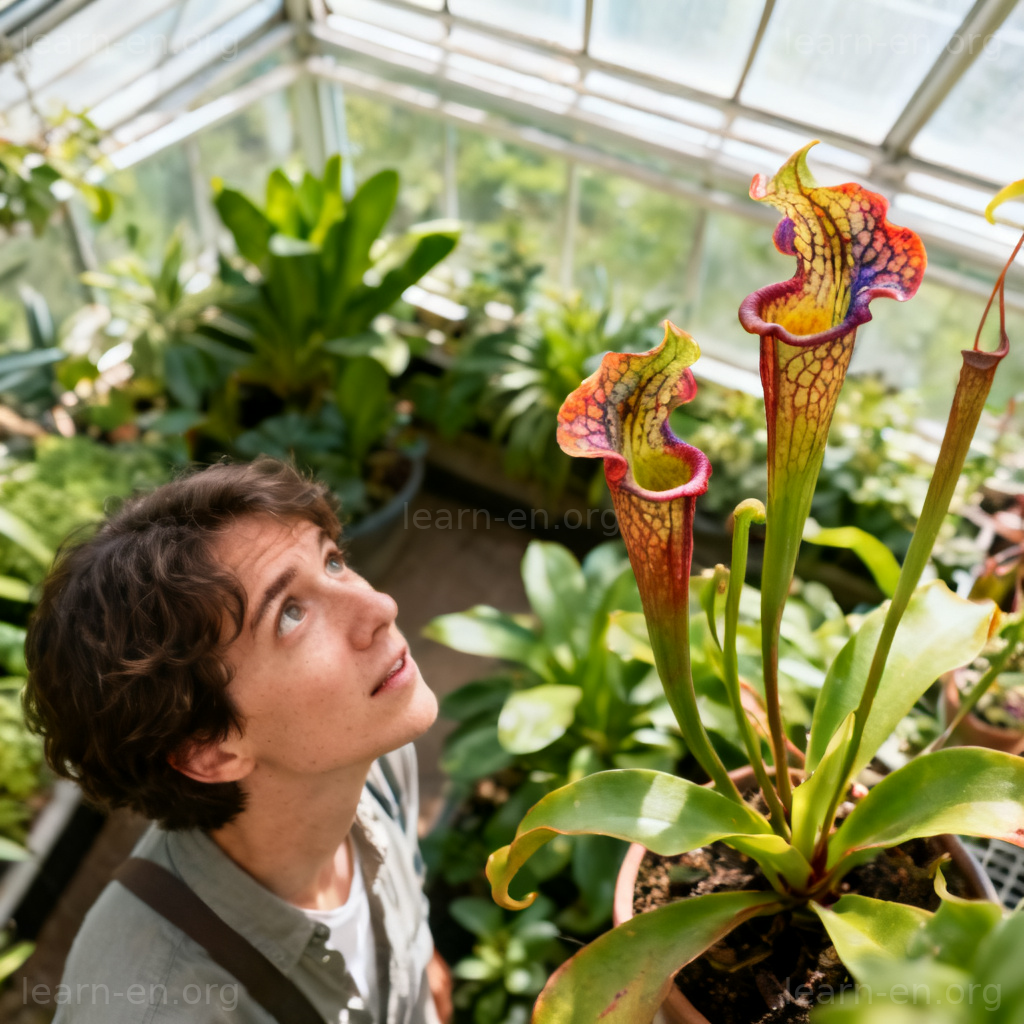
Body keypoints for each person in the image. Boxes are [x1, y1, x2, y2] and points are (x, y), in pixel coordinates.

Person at [23, 458, 453, 1023]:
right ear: (212, 751)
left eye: (334, 561)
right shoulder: (159, 1007)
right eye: (291, 615)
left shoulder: (373, 754)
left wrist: (421, 962)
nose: (381, 608)